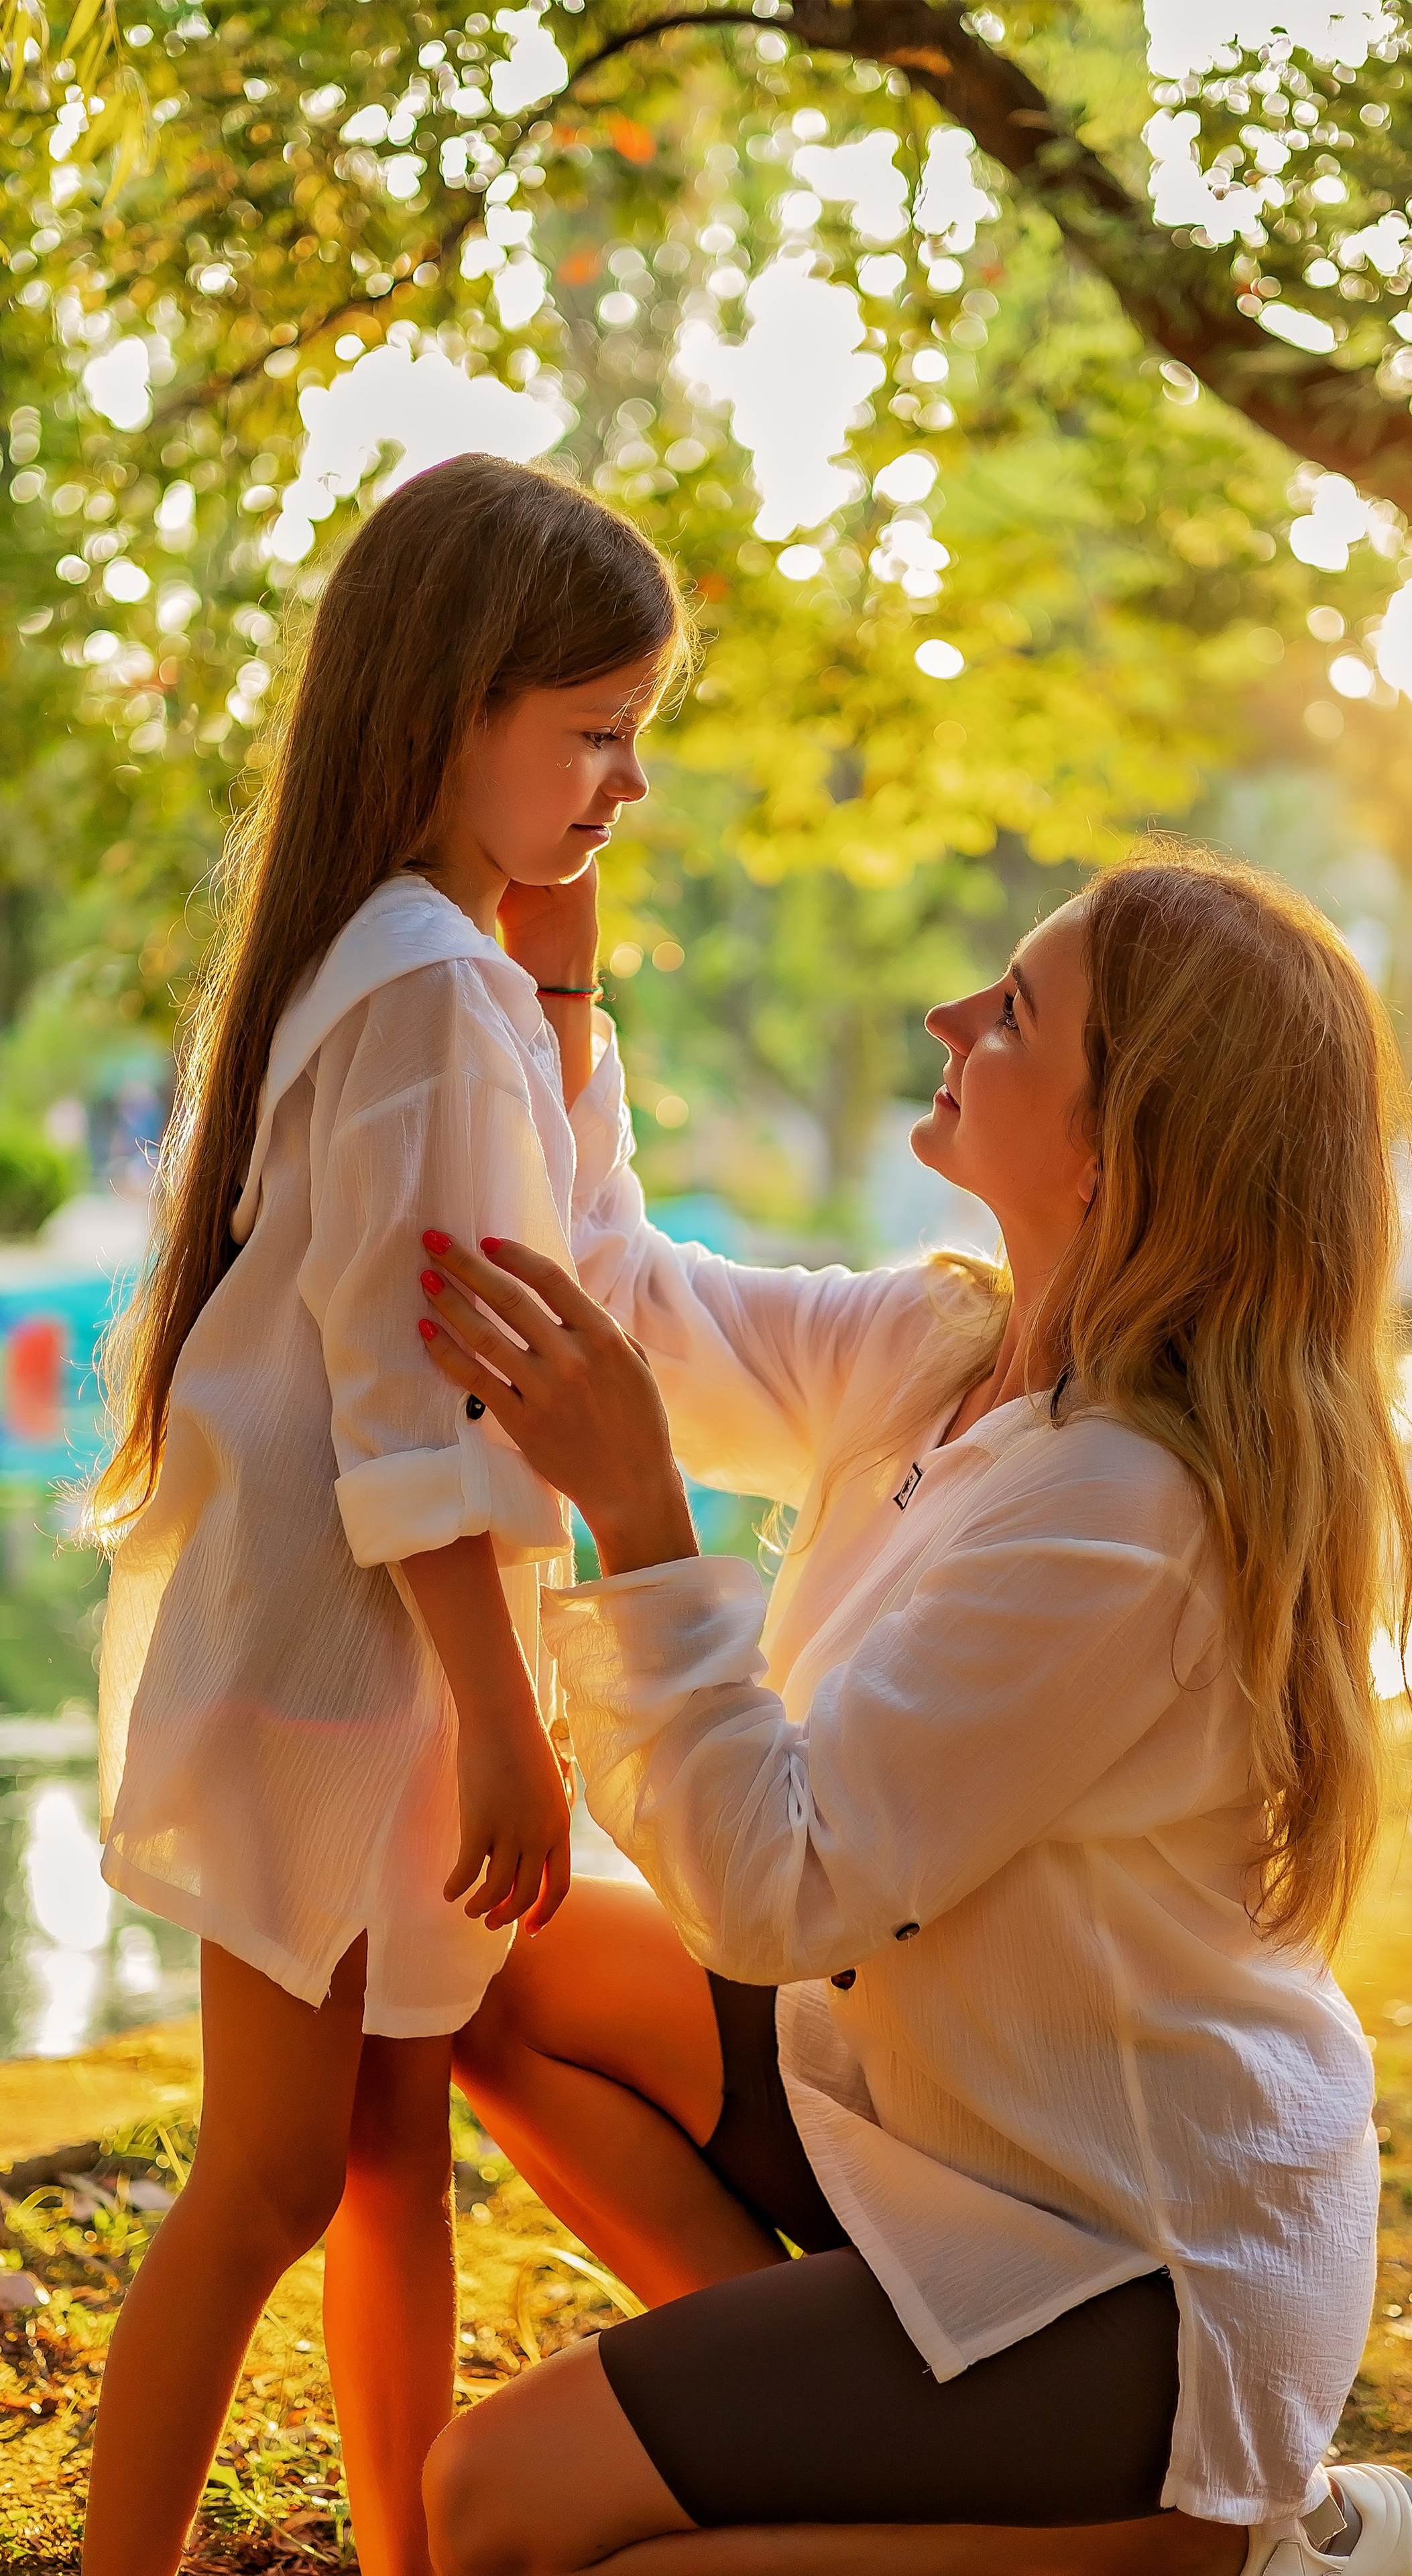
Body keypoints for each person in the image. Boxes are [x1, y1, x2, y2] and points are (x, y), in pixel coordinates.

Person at [410, 846, 1412, 2576]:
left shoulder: (1130, 1504)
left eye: (1016, 1013)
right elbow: (625, 1311)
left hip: (1130, 2259)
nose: (953, 1016)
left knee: (499, 2517)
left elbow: (781, 1892)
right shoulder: (953, 1351)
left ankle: (1213, 2542)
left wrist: (646, 1523)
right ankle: (880, 2467)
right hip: (930, 2120)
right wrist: (556, 996)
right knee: (502, 1970)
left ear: (1118, 1151)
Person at [82, 456, 690, 2576]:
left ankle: (407, 2557)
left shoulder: (430, 962)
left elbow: (554, 1279)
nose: (628, 784)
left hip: (370, 1657)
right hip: (360, 1661)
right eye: (595, 732)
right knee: (268, 2173)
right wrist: (508, 1724)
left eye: (636, 735)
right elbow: (410, 1407)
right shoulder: (420, 979)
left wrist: (566, 992)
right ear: (454, 705)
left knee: (390, 2152)